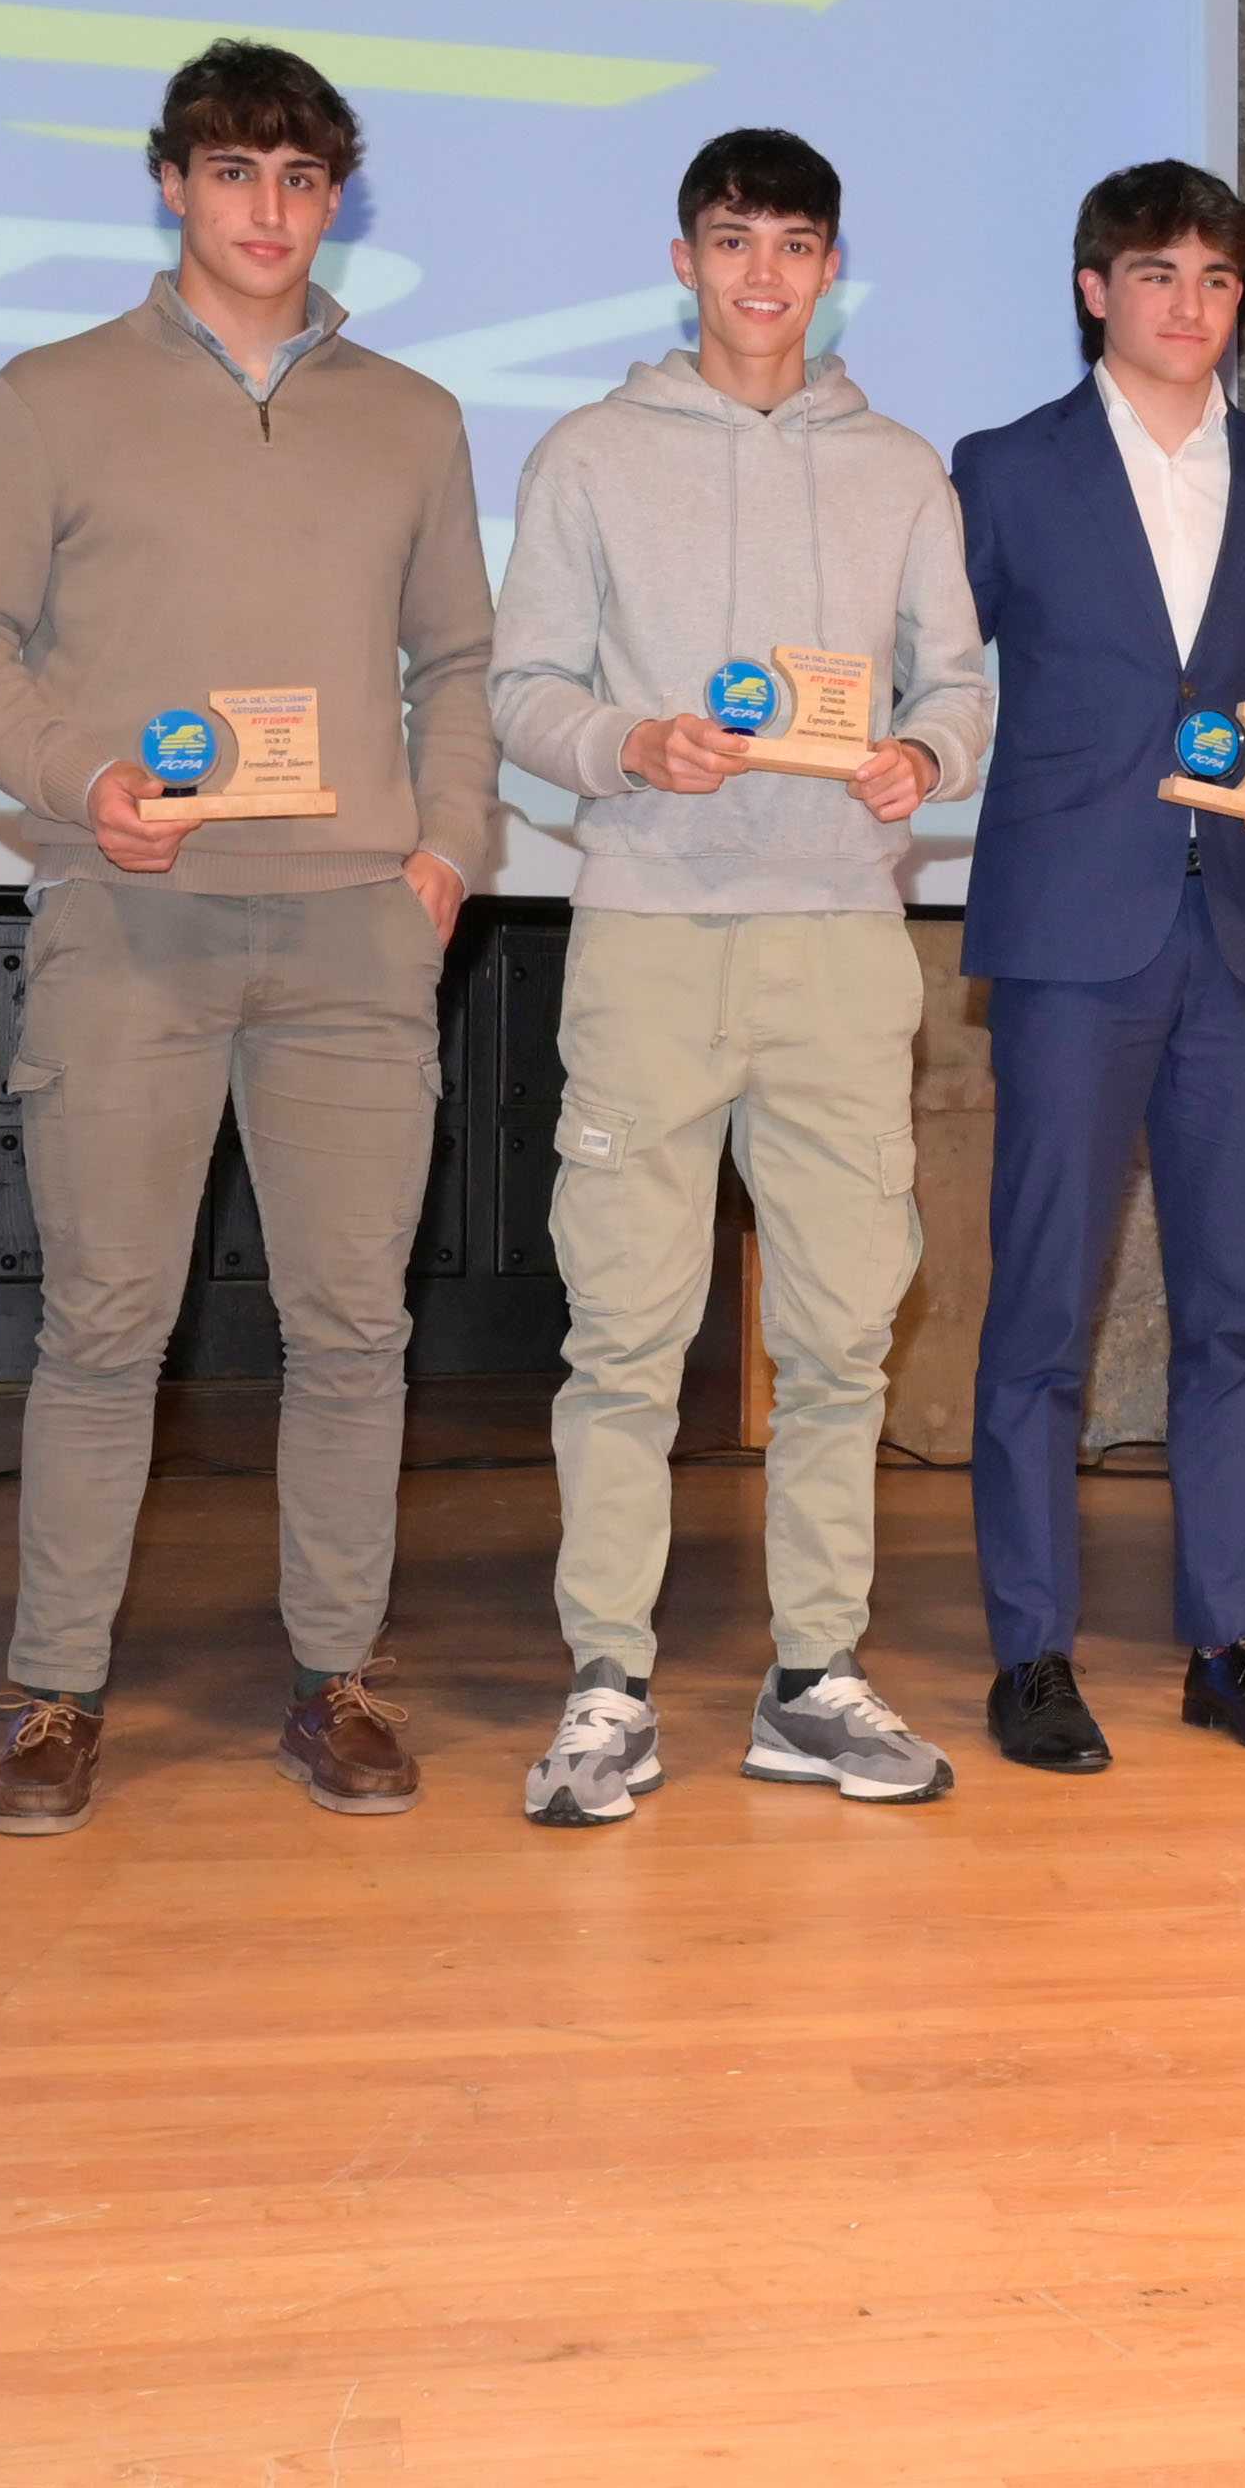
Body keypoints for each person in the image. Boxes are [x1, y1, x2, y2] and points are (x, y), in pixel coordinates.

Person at [0, 39, 498, 1825]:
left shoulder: (412, 415)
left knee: (349, 1328)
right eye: (237, 172)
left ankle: (338, 1677)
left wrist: (446, 859)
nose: (270, 210)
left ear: (338, 198)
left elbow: (460, 660)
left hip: (350, 932)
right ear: (170, 180)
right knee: (105, 1324)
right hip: (131, 914)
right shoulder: (49, 395)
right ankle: (54, 1692)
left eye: (304, 178)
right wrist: (82, 782)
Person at [492, 130, 990, 1824]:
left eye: (792, 243)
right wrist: (626, 741)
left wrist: (921, 757)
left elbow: (961, 685)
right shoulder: (588, 455)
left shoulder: (901, 471)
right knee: (626, 1331)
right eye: (731, 241)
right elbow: (520, 688)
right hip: (646, 932)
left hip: (843, 943)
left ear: (830, 264)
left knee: (844, 1335)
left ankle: (814, 1677)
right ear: (683, 259)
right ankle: (607, 1684)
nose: (762, 274)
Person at [953, 160, 1245, 1771]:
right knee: (1042, 1306)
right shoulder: (1001, 471)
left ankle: (1222, 1636)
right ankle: (1032, 1647)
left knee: (1232, 1314)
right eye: (1157, 271)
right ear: (1092, 290)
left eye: (1215, 277)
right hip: (1067, 935)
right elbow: (940, 678)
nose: (1189, 303)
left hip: (1243, 938)